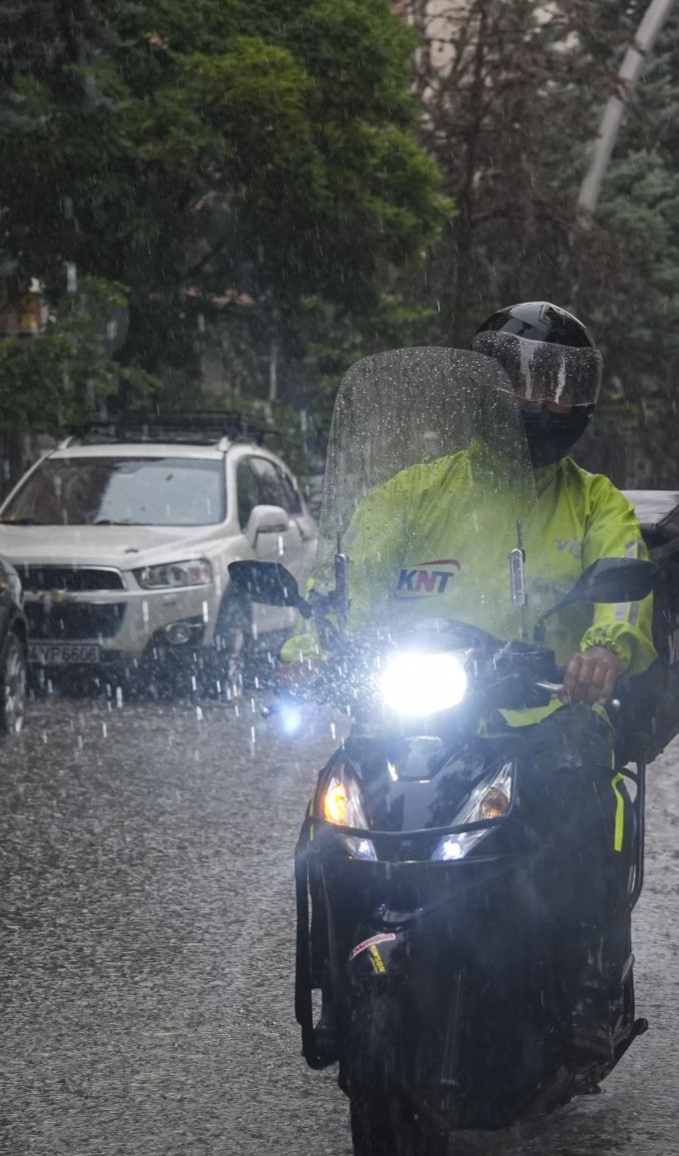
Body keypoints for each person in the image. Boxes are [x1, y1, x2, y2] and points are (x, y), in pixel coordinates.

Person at [279, 301, 656, 1063]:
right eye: (523, 382)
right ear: (483, 389)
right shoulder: (415, 494)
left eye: (560, 387)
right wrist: (310, 645)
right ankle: (330, 988)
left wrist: (603, 652)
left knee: (586, 787)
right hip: (422, 716)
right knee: (331, 820)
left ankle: (585, 982)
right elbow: (343, 576)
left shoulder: (594, 503)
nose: (541, 403)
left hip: (543, 717)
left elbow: (625, 593)